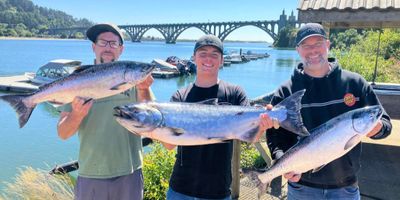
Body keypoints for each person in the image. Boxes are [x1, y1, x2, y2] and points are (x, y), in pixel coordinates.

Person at [266, 23, 392, 200]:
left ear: (328, 44)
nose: (313, 50)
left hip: (345, 187)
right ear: (298, 50)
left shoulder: (355, 83)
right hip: (302, 187)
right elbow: (274, 135)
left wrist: (377, 128)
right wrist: (283, 162)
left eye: (318, 43)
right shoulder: (286, 92)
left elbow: (386, 126)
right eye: (306, 46)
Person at [163, 34, 278, 200]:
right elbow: (169, 145)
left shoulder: (234, 94)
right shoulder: (180, 97)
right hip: (180, 189)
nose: (208, 59)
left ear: (222, 60)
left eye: (214, 55)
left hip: (218, 190)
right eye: (203, 53)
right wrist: (153, 127)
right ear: (194, 58)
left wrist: (262, 125)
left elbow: (251, 137)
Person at [57, 23, 154, 200]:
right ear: (93, 47)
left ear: (121, 49)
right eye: (103, 42)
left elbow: (152, 123)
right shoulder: (76, 83)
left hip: (130, 173)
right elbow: (63, 133)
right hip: (90, 174)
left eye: (113, 43)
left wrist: (144, 89)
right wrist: (77, 114)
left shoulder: (134, 83)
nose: (108, 47)